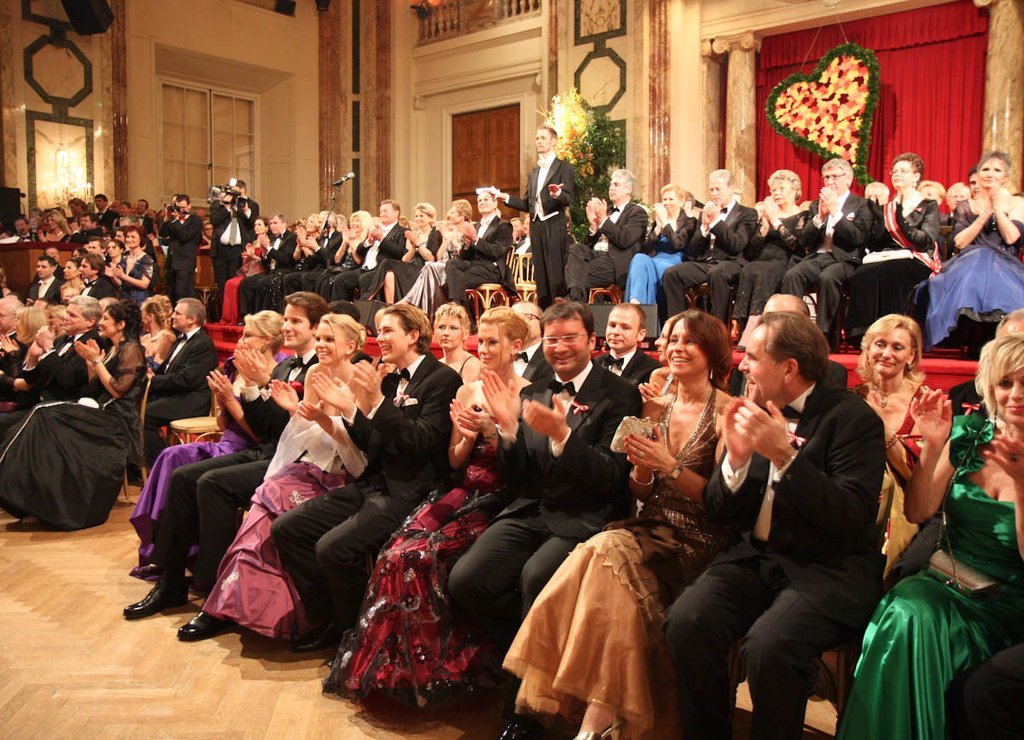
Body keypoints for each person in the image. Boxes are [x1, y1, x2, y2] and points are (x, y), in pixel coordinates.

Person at [503, 310, 733, 739]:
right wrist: (644, 470)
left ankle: (586, 718)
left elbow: (723, 505)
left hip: (698, 534)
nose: (677, 348)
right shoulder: (653, 404)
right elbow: (638, 488)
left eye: (689, 341)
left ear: (713, 351)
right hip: (648, 525)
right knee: (604, 570)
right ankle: (595, 725)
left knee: (598, 554)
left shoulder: (728, 412)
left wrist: (668, 465)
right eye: (672, 339)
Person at [664, 311, 886, 740]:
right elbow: (719, 508)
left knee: (768, 649)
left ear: (789, 368)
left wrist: (785, 457)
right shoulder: (752, 409)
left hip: (826, 568)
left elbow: (851, 516)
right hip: (756, 558)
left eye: (753, 356)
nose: (743, 365)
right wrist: (736, 460)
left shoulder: (853, 419)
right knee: (687, 621)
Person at [446, 301, 641, 740]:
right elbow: (518, 478)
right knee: (466, 580)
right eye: (552, 339)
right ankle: (525, 656)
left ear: (591, 341)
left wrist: (564, 437)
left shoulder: (619, 394)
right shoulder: (533, 391)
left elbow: (612, 478)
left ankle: (523, 713)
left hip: (586, 515)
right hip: (532, 509)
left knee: (535, 578)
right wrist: (508, 430)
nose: (560, 347)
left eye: (570, 337)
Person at [325, 306, 530, 707]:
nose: (484, 350)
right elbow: (454, 460)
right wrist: (467, 438)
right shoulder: (466, 391)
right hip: (461, 490)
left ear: (516, 346)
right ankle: (397, 668)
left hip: (501, 497)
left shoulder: (530, 392)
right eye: (482, 342)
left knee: (422, 557)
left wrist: (494, 432)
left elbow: (525, 471)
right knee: (396, 553)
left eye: (493, 342)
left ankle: (445, 666)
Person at [837, 334, 1024, 740]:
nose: (1015, 395)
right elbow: (919, 512)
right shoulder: (969, 435)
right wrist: (935, 448)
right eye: (1005, 383)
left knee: (917, 615)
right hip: (948, 579)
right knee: (907, 610)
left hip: (1009, 599)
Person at [123, 293, 328, 619]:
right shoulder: (287, 365)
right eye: (286, 319)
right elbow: (264, 429)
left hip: (295, 461)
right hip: (268, 450)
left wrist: (258, 385)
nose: (286, 326)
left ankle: (214, 591)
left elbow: (293, 430)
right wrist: (248, 391)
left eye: (295, 321)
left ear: (315, 327)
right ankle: (171, 582)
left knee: (212, 483)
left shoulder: (318, 370)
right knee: (182, 476)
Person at [271, 303, 463, 651]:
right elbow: (370, 442)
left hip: (412, 491)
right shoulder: (387, 378)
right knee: (287, 528)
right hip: (372, 485)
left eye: (387, 330)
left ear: (413, 335)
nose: (380, 338)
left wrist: (376, 402)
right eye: (379, 331)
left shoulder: (443, 379)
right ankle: (328, 618)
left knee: (332, 549)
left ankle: (356, 637)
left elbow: (420, 442)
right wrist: (347, 410)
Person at [181, 314, 369, 642]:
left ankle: (283, 613)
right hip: (307, 465)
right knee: (264, 502)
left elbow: (357, 451)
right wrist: (295, 412)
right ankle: (224, 605)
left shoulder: (360, 382)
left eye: (329, 339)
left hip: (342, 476)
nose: (321, 345)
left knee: (276, 506)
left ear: (351, 346)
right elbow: (302, 435)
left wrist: (314, 417)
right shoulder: (315, 372)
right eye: (320, 338)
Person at [130, 310, 285, 578]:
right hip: (228, 442)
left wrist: (231, 401)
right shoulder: (235, 366)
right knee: (170, 456)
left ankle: (187, 556)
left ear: (267, 340)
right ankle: (160, 549)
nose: (241, 341)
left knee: (187, 469)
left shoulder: (276, 371)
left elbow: (261, 435)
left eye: (248, 335)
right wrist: (221, 402)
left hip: (250, 449)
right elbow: (225, 427)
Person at [0, 300, 145, 530]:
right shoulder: (113, 348)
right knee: (41, 415)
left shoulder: (131, 350)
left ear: (121, 325)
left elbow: (118, 390)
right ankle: (30, 495)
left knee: (44, 415)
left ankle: (55, 502)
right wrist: (91, 363)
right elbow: (93, 388)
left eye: (106, 319)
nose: (101, 322)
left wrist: (96, 361)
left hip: (116, 418)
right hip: (98, 409)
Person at [921, 151, 1024, 350]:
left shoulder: (1017, 203)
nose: (990, 174)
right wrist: (984, 214)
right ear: (978, 174)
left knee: (988, 262)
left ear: (1005, 176)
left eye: (997, 170)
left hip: (1006, 263)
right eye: (985, 169)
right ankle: (971, 332)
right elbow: (960, 242)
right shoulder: (966, 205)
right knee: (980, 257)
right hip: (969, 262)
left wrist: (997, 209)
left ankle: (993, 333)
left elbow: (1012, 237)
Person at [851, 314, 926, 581]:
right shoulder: (852, 396)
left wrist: (882, 429)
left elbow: (917, 474)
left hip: (907, 505)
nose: (886, 353)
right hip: (856, 497)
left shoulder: (924, 402)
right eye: (880, 344)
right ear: (868, 349)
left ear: (911, 356)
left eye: (897, 347)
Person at [844, 153, 941, 346]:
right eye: (895, 171)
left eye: (903, 171)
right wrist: (876, 221)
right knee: (861, 273)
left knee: (890, 271)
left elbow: (925, 242)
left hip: (916, 258)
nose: (897, 174)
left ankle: (893, 332)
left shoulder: (927, 205)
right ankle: (862, 332)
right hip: (886, 257)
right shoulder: (887, 208)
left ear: (916, 176)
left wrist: (902, 221)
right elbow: (876, 245)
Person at [781, 158, 874, 338]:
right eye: (826, 177)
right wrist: (820, 218)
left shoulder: (862, 205)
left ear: (848, 179)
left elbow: (857, 237)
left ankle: (824, 335)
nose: (830, 181)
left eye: (834, 177)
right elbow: (804, 240)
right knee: (792, 275)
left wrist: (836, 213)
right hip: (818, 257)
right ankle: (793, 331)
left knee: (828, 278)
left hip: (846, 260)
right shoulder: (816, 204)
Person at [663, 169, 758, 322]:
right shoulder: (705, 213)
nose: (714, 194)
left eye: (718, 189)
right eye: (711, 190)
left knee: (717, 273)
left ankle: (716, 327)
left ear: (731, 188)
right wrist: (704, 228)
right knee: (672, 274)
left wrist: (716, 222)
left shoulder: (747, 213)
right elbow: (693, 251)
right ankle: (677, 324)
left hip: (732, 263)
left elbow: (737, 245)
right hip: (706, 263)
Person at [499, 125, 575, 307]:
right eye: (537, 138)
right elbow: (527, 204)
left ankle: (558, 310)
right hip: (537, 226)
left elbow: (569, 198)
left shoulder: (564, 168)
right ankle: (544, 311)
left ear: (553, 141)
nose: (539, 141)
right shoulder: (534, 173)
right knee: (540, 274)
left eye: (543, 138)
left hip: (554, 222)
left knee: (555, 272)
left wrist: (558, 194)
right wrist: (506, 198)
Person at [732, 170, 807, 343]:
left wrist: (775, 221)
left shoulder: (802, 215)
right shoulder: (768, 215)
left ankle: (756, 323)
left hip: (786, 260)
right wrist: (764, 229)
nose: (776, 193)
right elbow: (751, 251)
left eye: (781, 188)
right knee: (748, 269)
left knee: (764, 273)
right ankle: (741, 323)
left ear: (794, 191)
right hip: (762, 260)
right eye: (773, 190)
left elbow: (796, 245)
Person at [142, 298, 219, 465]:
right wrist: (150, 375)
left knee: (144, 415)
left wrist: (154, 380)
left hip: (192, 400)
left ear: (192, 319)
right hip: (176, 394)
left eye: (178, 313)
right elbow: (167, 369)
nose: (172, 316)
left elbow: (186, 380)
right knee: (132, 405)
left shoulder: (202, 344)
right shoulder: (180, 339)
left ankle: (164, 464)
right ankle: (137, 464)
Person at [565, 169, 649, 301]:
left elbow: (624, 240)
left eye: (616, 184)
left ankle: (573, 300)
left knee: (575, 273)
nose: (611, 188)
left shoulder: (637, 212)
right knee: (576, 248)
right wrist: (594, 226)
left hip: (615, 261)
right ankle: (574, 299)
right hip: (596, 255)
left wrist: (604, 219)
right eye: (610, 184)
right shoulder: (608, 210)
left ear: (628, 189)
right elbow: (586, 245)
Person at [624, 184, 698, 310]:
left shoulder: (690, 221)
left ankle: (637, 307)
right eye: (664, 199)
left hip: (675, 262)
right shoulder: (658, 221)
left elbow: (678, 244)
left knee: (642, 261)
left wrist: (665, 223)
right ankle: (635, 303)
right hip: (655, 260)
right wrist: (658, 229)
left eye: (671, 199)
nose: (667, 203)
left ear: (681, 202)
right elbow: (646, 249)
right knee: (639, 258)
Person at [399, 200, 473, 316]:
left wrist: (452, 240)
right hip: (446, 264)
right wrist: (445, 240)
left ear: (462, 216)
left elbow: (463, 254)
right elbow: (439, 256)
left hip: (460, 267)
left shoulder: (468, 231)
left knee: (430, 266)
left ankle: (412, 303)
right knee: (430, 266)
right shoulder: (449, 231)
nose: (448, 215)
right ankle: (420, 307)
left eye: (452, 212)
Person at [446, 191, 513, 310]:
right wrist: (467, 245)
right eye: (479, 201)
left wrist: (476, 239)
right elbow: (465, 257)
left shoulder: (504, 226)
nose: (482, 202)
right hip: (473, 266)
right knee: (452, 264)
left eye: (486, 199)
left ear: (495, 203)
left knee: (452, 282)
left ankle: (459, 310)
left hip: (491, 269)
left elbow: (496, 252)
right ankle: (462, 311)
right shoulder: (475, 226)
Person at [367, 202, 445, 304]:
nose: (418, 218)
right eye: (416, 216)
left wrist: (417, 244)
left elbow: (431, 258)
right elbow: (405, 259)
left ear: (430, 218)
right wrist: (412, 247)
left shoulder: (435, 233)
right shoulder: (414, 234)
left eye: (421, 216)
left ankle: (368, 297)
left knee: (386, 263)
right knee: (389, 274)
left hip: (424, 270)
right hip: (410, 267)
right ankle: (390, 306)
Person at [209, 180, 259, 302]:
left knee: (235, 282)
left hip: (238, 250)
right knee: (222, 284)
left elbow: (252, 224)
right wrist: (226, 205)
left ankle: (235, 311)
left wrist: (245, 209)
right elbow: (214, 221)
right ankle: (224, 311)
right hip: (221, 250)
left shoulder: (250, 205)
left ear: (242, 190)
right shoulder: (218, 205)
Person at [238, 212, 298, 314]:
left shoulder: (291, 237)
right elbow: (266, 262)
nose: (272, 226)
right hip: (270, 271)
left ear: (284, 224)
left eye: (275, 223)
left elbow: (285, 259)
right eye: (271, 223)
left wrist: (268, 248)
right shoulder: (272, 238)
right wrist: (264, 252)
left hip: (284, 271)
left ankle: (262, 314)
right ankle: (247, 315)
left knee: (263, 283)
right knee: (246, 283)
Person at [220, 215, 270, 325]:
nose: (256, 227)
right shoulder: (254, 242)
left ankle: (244, 316)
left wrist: (253, 256)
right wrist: (247, 257)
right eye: (255, 225)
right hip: (250, 271)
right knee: (229, 283)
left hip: (262, 271)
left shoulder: (268, 241)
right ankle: (232, 318)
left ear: (267, 227)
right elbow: (247, 264)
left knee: (240, 283)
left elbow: (266, 261)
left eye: (259, 225)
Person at [593, 303, 660, 385]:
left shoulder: (653, 371)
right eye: (612, 325)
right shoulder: (593, 365)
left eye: (625, 328)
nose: (615, 332)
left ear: (640, 334)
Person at [316, 210, 370, 303]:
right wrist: (344, 243)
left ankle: (337, 307)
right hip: (343, 268)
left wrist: (351, 243)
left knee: (336, 280)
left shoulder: (366, 240)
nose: (354, 223)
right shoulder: (347, 237)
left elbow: (358, 261)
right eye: (353, 221)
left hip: (355, 270)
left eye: (357, 221)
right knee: (323, 279)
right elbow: (337, 260)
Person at [159, 194, 203, 303]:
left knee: (182, 291)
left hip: (185, 261)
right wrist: (167, 218)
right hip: (172, 261)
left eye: (183, 207)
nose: (181, 210)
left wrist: (176, 220)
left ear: (189, 206)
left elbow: (185, 236)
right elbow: (162, 233)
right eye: (179, 208)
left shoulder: (195, 220)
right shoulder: (173, 221)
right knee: (170, 291)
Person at [434, 302, 482, 383]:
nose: (446, 333)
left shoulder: (472, 365)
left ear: (465, 333)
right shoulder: (436, 365)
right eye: (441, 327)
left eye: (453, 328)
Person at [110, 225, 155, 305]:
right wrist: (113, 275)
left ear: (141, 239)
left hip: (139, 300)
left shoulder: (146, 259)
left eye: (133, 237)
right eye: (127, 237)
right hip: (124, 299)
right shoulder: (124, 259)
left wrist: (123, 276)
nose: (129, 239)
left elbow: (144, 284)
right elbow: (122, 284)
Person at [511, 301, 553, 384]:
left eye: (527, 317)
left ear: (541, 323)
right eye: (514, 319)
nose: (520, 323)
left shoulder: (551, 358)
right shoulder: (502, 356)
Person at [139, 295, 176, 370]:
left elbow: (158, 368)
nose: (141, 318)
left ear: (150, 317)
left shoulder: (167, 338)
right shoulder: (144, 338)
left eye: (143, 314)